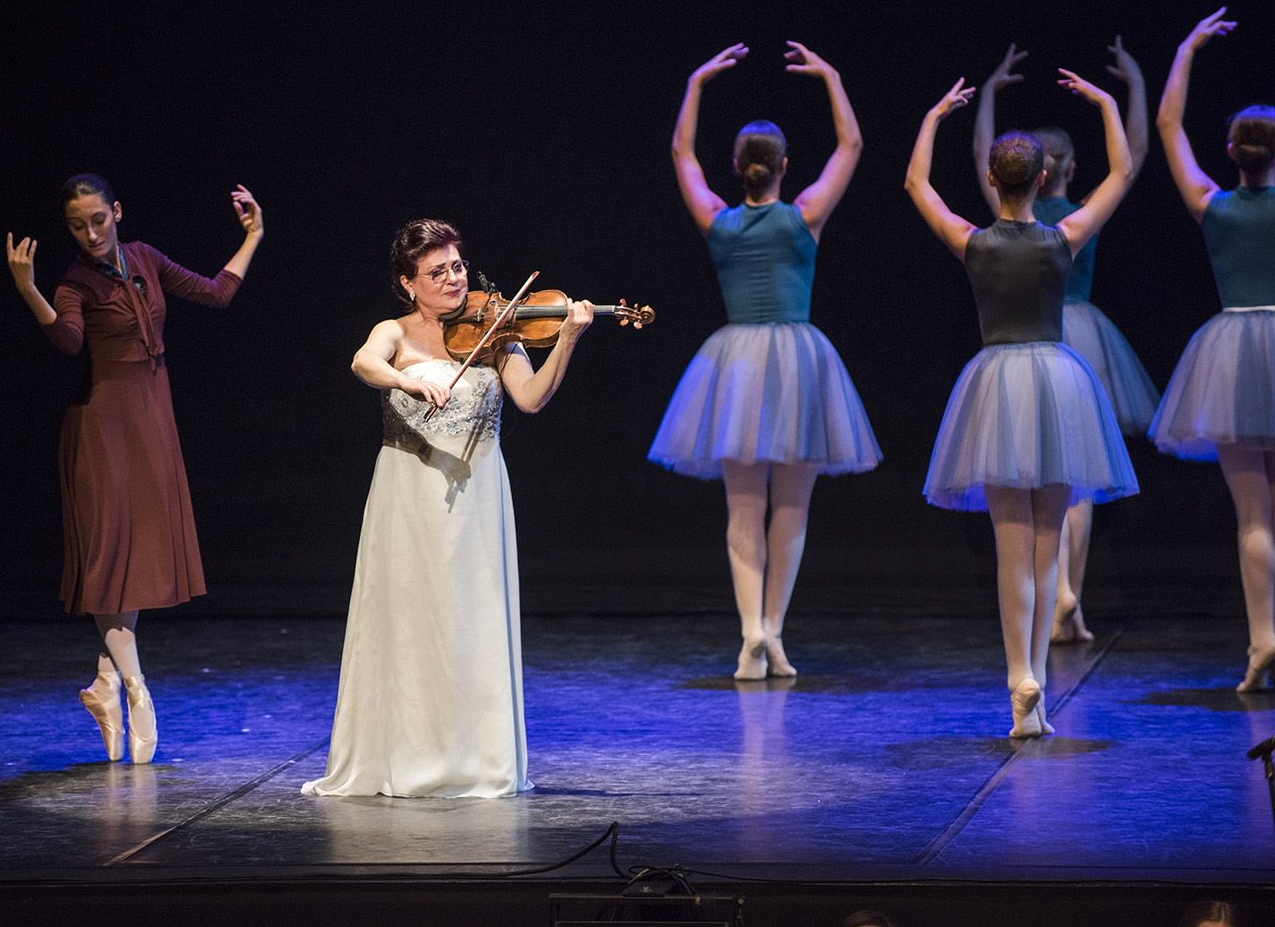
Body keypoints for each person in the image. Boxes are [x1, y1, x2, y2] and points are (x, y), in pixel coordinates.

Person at [303, 219, 593, 797]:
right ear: (409, 283)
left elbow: (532, 399)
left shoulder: (495, 333)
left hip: (479, 493)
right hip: (407, 497)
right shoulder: (395, 332)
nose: (453, 279)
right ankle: (407, 757)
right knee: (410, 620)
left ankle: (476, 760)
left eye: (457, 266)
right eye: (436, 272)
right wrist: (407, 384)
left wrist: (567, 338)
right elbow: (364, 364)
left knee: (470, 618)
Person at [905, 71, 1137, 737]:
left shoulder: (973, 243)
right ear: (1041, 182)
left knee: (1013, 550)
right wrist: (1103, 103)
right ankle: (1034, 674)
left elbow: (916, 186)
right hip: (1059, 385)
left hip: (997, 387)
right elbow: (1121, 174)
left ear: (991, 179)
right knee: (1046, 547)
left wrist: (933, 116)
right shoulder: (1064, 239)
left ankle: (1021, 682)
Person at [5, 173, 264, 763]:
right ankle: (136, 689)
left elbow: (215, 293)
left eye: (98, 219)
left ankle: (103, 683)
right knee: (109, 558)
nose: (91, 233)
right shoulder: (75, 282)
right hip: (103, 427)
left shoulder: (144, 257)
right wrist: (29, 289)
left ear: (116, 211)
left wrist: (254, 236)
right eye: (78, 225)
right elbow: (68, 339)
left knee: (137, 555)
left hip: (152, 418)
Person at [648, 40, 881, 680]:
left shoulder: (718, 221)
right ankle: (774, 633)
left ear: (738, 167)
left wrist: (695, 83)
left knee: (743, 508)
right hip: (801, 363)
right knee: (793, 507)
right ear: (784, 167)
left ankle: (750, 633)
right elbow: (852, 148)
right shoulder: (804, 216)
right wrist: (832, 74)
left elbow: (680, 155)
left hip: (737, 367)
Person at [973, 39, 1160, 643]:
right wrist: (1126, 88)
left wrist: (989, 94)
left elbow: (981, 153)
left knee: (1031, 471)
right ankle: (1066, 591)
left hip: (1022, 343)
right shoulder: (1074, 220)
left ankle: (1058, 598)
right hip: (1074, 339)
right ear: (1063, 171)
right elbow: (1130, 160)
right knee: (1073, 473)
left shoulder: (1008, 222)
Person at [1151, 8, 1275, 693]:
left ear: (1231, 154)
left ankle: (1263, 641)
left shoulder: (1214, 204)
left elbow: (1168, 128)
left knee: (1252, 513)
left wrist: (1188, 47)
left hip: (1230, 354)